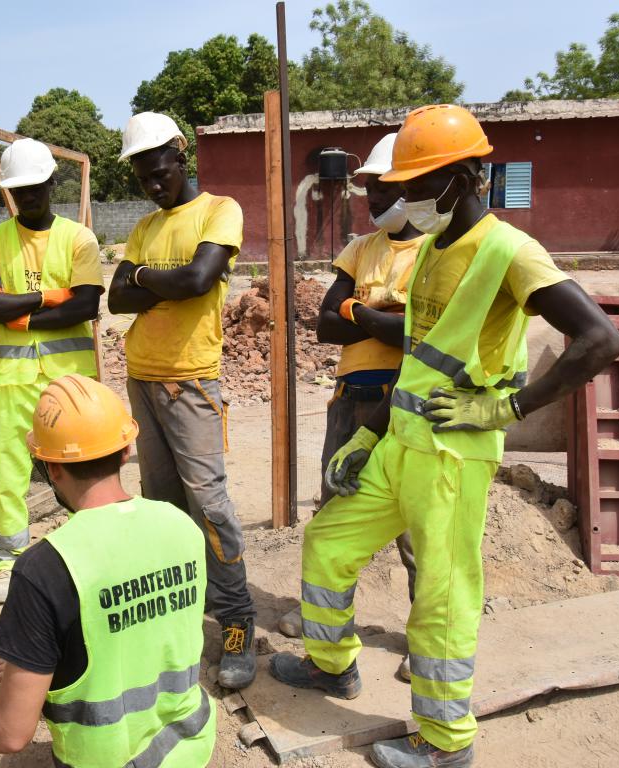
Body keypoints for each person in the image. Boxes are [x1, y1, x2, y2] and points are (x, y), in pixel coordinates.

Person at [270, 105, 619, 768]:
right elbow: (419, 357)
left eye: (416, 184)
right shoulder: (433, 249)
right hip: (400, 443)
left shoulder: (510, 251)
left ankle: (444, 743)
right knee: (328, 541)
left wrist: (507, 410)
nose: (404, 198)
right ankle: (331, 666)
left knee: (443, 590)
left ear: (465, 176)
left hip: (453, 458)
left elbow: (601, 341)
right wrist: (366, 434)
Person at [0, 375, 215, 765]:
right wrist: (36, 657)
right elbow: (144, 626)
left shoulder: (45, 567)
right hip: (190, 749)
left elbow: (10, 734)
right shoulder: (180, 525)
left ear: (51, 469)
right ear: (126, 450)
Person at [108, 111, 256, 690]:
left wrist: (144, 278)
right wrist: (149, 279)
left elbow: (199, 280)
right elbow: (117, 298)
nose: (152, 184)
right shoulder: (145, 226)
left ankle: (237, 619)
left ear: (180, 154)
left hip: (193, 382)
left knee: (210, 506)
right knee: (163, 507)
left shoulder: (220, 211)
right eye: (142, 176)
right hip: (142, 380)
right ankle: (180, 616)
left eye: (159, 170)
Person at [277, 134, 422, 683]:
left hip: (402, 399)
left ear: (408, 187)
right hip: (349, 399)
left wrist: (358, 310)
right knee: (333, 511)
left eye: (382, 190)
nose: (373, 201)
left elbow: (420, 334)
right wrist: (381, 311)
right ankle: (327, 633)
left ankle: (420, 636)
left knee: (414, 526)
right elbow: (324, 322)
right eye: (369, 192)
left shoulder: (434, 251)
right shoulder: (361, 249)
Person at [0, 138, 103, 605]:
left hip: (70, 381)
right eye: (17, 189)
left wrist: (14, 311)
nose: (26, 196)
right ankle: (9, 561)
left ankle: (82, 552)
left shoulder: (78, 237)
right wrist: (48, 298)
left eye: (34, 187)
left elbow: (86, 304)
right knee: (9, 470)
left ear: (50, 182)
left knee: (79, 465)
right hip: (11, 382)